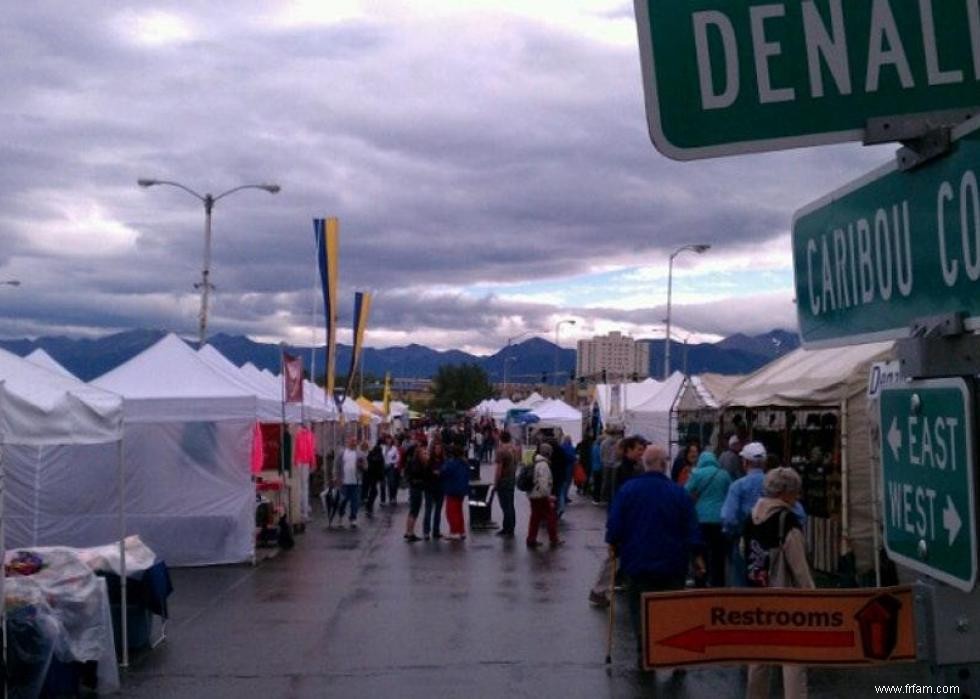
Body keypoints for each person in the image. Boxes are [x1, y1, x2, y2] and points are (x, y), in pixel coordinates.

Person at [606, 444, 704, 666]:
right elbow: (691, 526)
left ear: (645, 463)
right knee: (671, 606)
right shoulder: (678, 493)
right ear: (663, 464)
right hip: (673, 560)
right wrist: (697, 555)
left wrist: (613, 543)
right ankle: (675, 650)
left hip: (637, 559)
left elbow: (615, 522)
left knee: (639, 607)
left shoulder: (629, 490)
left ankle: (644, 648)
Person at [744, 468, 814, 699]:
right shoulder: (786, 520)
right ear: (785, 493)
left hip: (756, 595)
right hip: (785, 598)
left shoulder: (752, 517)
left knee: (758, 658)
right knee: (793, 659)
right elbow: (799, 568)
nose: (797, 496)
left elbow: (743, 551)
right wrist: (813, 599)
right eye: (795, 491)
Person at [721, 442, 807, 585]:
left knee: (742, 586)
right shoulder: (776, 483)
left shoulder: (737, 486)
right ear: (765, 463)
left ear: (745, 462)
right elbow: (800, 514)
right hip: (777, 542)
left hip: (746, 541)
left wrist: (733, 533)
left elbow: (728, 518)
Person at [684, 450, 732, 587]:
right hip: (720, 519)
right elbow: (730, 492)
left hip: (701, 519)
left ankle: (701, 582)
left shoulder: (697, 473)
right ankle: (719, 583)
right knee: (718, 554)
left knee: (700, 554)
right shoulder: (724, 474)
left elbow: (685, 492)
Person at [526, 443, 561, 548]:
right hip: (541, 495)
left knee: (535, 518)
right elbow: (543, 482)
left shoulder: (536, 462)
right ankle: (553, 539)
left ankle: (531, 539)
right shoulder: (544, 465)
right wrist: (548, 496)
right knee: (551, 517)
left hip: (533, 494)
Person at [334, 436, 365, 528]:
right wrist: (336, 477)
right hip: (344, 482)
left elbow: (366, 467)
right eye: (352, 441)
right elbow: (337, 466)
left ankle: (353, 518)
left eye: (355, 441)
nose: (354, 443)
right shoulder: (342, 453)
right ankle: (340, 516)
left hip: (356, 482)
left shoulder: (360, 454)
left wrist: (361, 465)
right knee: (343, 501)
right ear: (348, 442)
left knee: (355, 501)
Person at [493, 431, 520, 538]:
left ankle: (507, 528)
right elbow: (517, 463)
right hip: (511, 478)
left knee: (505, 505)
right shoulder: (513, 449)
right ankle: (511, 526)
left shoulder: (501, 451)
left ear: (501, 438)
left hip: (503, 480)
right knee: (510, 504)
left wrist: (496, 482)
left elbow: (499, 469)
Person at [441, 444, 470, 540]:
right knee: (459, 511)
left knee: (451, 512)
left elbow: (444, 472)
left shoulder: (451, 463)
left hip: (452, 489)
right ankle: (461, 531)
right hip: (462, 489)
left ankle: (454, 531)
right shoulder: (464, 463)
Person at [403, 437, 427, 542]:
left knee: (412, 510)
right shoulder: (417, 463)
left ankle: (408, 531)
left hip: (413, 487)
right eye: (423, 452)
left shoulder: (411, 461)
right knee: (415, 510)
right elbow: (420, 475)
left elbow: (408, 474)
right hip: (417, 488)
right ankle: (410, 532)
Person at [422, 438, 445, 540]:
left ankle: (436, 530)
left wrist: (441, 473)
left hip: (440, 487)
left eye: (439, 449)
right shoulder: (429, 461)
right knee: (428, 510)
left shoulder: (443, 460)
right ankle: (426, 531)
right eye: (436, 449)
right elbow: (425, 474)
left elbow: (445, 472)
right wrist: (433, 473)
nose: (438, 450)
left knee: (438, 511)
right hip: (430, 487)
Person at [363, 438, 386, 517]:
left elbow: (367, 465)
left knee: (372, 491)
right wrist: (382, 478)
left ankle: (368, 506)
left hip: (368, 476)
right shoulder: (380, 458)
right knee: (374, 492)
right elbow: (381, 469)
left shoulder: (370, 456)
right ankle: (369, 506)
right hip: (374, 477)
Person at [383, 435, 400, 506]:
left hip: (391, 467)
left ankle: (392, 497)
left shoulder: (394, 448)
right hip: (384, 466)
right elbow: (382, 456)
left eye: (389, 439)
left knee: (391, 482)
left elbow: (398, 457)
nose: (388, 441)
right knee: (383, 484)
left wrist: (393, 462)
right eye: (387, 439)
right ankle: (384, 499)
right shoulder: (383, 447)